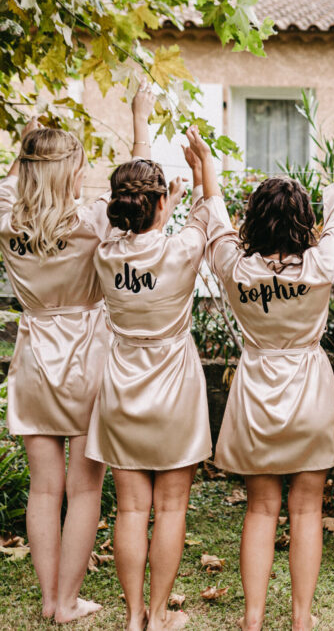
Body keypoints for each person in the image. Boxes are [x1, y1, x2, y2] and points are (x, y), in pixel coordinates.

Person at [205, 110, 334, 631]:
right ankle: (302, 619)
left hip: (257, 389)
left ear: (255, 221)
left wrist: (204, 168)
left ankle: (253, 618)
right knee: (307, 508)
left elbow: (214, 219)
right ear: (304, 221)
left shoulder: (236, 268)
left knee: (261, 508)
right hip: (308, 388)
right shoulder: (321, 263)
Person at [0, 89, 151, 623]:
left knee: (44, 489)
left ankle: (49, 600)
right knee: (86, 488)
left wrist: (27, 145)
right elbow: (138, 188)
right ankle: (67, 601)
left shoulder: (8, 221)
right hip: (87, 355)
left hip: (35, 357)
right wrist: (139, 120)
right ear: (71, 172)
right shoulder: (92, 220)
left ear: (27, 169)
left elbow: (10, 183)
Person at [84, 123, 220, 631]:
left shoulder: (105, 253)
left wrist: (163, 199)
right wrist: (201, 165)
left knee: (130, 510)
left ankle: (132, 615)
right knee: (172, 506)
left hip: (122, 385)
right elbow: (210, 208)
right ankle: (159, 615)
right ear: (161, 204)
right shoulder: (180, 249)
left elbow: (126, 222)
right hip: (174, 385)